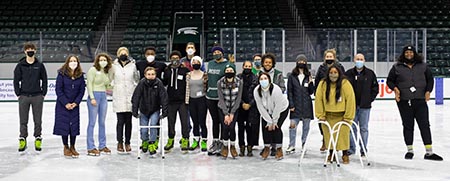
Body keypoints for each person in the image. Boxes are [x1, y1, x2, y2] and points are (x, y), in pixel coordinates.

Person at [387, 45, 443, 161]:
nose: (409, 54)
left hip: (420, 101)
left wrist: (428, 91)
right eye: (406, 52)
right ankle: (410, 150)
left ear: (414, 54)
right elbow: (389, 81)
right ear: (403, 54)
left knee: (424, 125)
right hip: (404, 101)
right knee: (408, 126)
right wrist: (395, 89)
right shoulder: (397, 67)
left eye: (411, 52)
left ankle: (429, 152)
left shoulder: (423, 66)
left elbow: (430, 79)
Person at [315, 64, 355, 164]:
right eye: (331, 73)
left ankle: (345, 154)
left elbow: (350, 100)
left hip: (342, 117)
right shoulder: (323, 84)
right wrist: (320, 115)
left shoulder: (345, 83)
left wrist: (348, 117)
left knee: (343, 136)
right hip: (327, 116)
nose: (333, 75)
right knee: (329, 136)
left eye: (335, 72)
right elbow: (318, 99)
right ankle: (331, 153)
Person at [14, 42, 48, 153]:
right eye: (28, 49)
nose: (30, 51)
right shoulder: (20, 65)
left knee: (37, 120)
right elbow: (16, 80)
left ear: (35, 51)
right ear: (24, 51)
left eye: (32, 49)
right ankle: (22, 138)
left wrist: (43, 93)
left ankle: (38, 138)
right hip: (24, 96)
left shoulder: (39, 65)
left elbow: (44, 79)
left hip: (37, 96)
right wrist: (18, 93)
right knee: (23, 120)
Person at [344, 53, 379, 156]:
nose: (359, 61)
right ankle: (351, 149)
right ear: (354, 60)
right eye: (357, 59)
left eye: (361, 59)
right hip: (352, 106)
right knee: (352, 128)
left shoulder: (370, 73)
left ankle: (363, 149)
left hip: (365, 106)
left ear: (364, 60)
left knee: (364, 128)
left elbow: (375, 88)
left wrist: (369, 99)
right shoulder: (348, 73)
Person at [53, 55, 85, 158]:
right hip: (63, 105)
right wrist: (66, 103)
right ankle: (66, 146)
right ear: (67, 62)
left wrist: (76, 103)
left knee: (74, 126)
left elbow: (82, 91)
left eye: (75, 61)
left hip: (75, 105)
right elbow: (59, 90)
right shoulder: (61, 74)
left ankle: (73, 146)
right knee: (64, 125)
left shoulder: (80, 76)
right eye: (71, 61)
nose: (73, 62)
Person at [132, 67, 168, 156]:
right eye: (149, 74)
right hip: (143, 110)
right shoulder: (141, 83)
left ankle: (152, 143)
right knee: (143, 129)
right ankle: (145, 141)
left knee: (153, 126)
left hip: (155, 110)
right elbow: (136, 97)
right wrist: (135, 110)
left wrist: (164, 111)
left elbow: (164, 98)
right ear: (145, 75)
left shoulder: (158, 83)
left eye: (152, 74)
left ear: (155, 75)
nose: (151, 76)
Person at [314, 49, 346, 152]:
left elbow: (344, 81)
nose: (329, 58)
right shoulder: (321, 68)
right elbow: (317, 82)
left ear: (334, 57)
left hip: (336, 97)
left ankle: (338, 144)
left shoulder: (340, 67)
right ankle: (325, 140)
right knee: (323, 122)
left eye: (330, 57)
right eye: (327, 57)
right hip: (325, 97)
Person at [110, 47, 139, 154]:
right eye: (121, 53)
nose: (123, 55)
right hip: (119, 96)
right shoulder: (113, 66)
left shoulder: (133, 65)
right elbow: (110, 79)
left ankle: (128, 142)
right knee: (120, 121)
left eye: (125, 53)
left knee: (129, 122)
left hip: (130, 95)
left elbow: (136, 79)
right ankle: (120, 142)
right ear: (118, 55)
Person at [254, 72, 289, 160]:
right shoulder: (256, 91)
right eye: (261, 79)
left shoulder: (276, 90)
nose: (263, 81)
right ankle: (266, 148)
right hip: (267, 111)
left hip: (281, 110)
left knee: (276, 127)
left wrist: (274, 121)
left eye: (265, 78)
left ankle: (279, 149)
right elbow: (260, 107)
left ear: (269, 80)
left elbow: (278, 106)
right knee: (266, 127)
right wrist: (269, 121)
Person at [206, 45, 232, 156]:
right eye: (214, 52)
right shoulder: (210, 63)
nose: (216, 53)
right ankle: (215, 141)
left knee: (223, 121)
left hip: (221, 97)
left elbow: (231, 76)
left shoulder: (227, 64)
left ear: (222, 53)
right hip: (210, 97)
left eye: (218, 51)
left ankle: (223, 142)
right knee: (214, 121)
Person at [163, 50, 190, 152]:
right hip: (170, 101)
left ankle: (185, 139)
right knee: (171, 122)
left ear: (180, 59)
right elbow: (164, 83)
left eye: (177, 58)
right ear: (170, 59)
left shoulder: (185, 70)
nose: (175, 60)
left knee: (184, 122)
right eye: (173, 58)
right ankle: (170, 139)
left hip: (182, 101)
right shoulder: (167, 70)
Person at [286, 54, 314, 154]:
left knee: (306, 127)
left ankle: (304, 144)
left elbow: (311, 92)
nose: (301, 62)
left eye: (303, 61)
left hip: (307, 106)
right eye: (300, 61)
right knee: (292, 126)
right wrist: (291, 105)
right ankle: (291, 145)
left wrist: (311, 83)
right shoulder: (292, 76)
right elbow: (289, 92)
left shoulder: (308, 76)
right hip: (295, 105)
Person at [86, 53, 113, 156]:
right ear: (97, 61)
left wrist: (113, 87)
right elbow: (89, 84)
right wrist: (92, 97)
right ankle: (90, 146)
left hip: (103, 96)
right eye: (101, 60)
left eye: (105, 60)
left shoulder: (106, 72)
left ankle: (102, 145)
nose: (103, 62)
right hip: (94, 96)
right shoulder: (93, 70)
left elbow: (107, 86)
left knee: (102, 122)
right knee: (92, 122)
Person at [259, 53, 285, 156]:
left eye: (270, 62)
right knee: (266, 126)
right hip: (265, 105)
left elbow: (283, 87)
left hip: (278, 104)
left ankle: (276, 147)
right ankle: (266, 146)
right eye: (266, 62)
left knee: (275, 126)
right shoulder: (259, 74)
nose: (268, 64)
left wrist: (274, 93)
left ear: (273, 63)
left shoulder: (278, 73)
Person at [218, 64, 243, 159]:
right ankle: (225, 146)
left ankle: (232, 146)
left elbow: (238, 98)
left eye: (231, 71)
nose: (229, 72)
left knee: (232, 127)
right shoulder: (220, 82)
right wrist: (225, 113)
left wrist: (232, 113)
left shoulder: (239, 82)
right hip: (222, 108)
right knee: (225, 127)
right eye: (227, 71)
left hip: (234, 108)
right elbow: (220, 98)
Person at [185, 56, 208, 152]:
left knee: (202, 121)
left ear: (201, 63)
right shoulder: (188, 75)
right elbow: (187, 88)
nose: (195, 63)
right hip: (191, 100)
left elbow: (207, 87)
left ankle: (204, 141)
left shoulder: (205, 75)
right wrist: (186, 100)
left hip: (202, 100)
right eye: (193, 61)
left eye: (197, 61)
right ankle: (196, 139)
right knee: (195, 122)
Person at [236, 60, 258, 156]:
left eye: (249, 66)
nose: (248, 68)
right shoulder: (238, 78)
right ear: (243, 67)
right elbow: (235, 92)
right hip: (240, 107)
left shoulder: (255, 78)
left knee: (250, 128)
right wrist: (242, 103)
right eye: (246, 66)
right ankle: (241, 146)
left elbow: (257, 94)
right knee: (241, 128)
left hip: (251, 107)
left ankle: (250, 147)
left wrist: (250, 104)